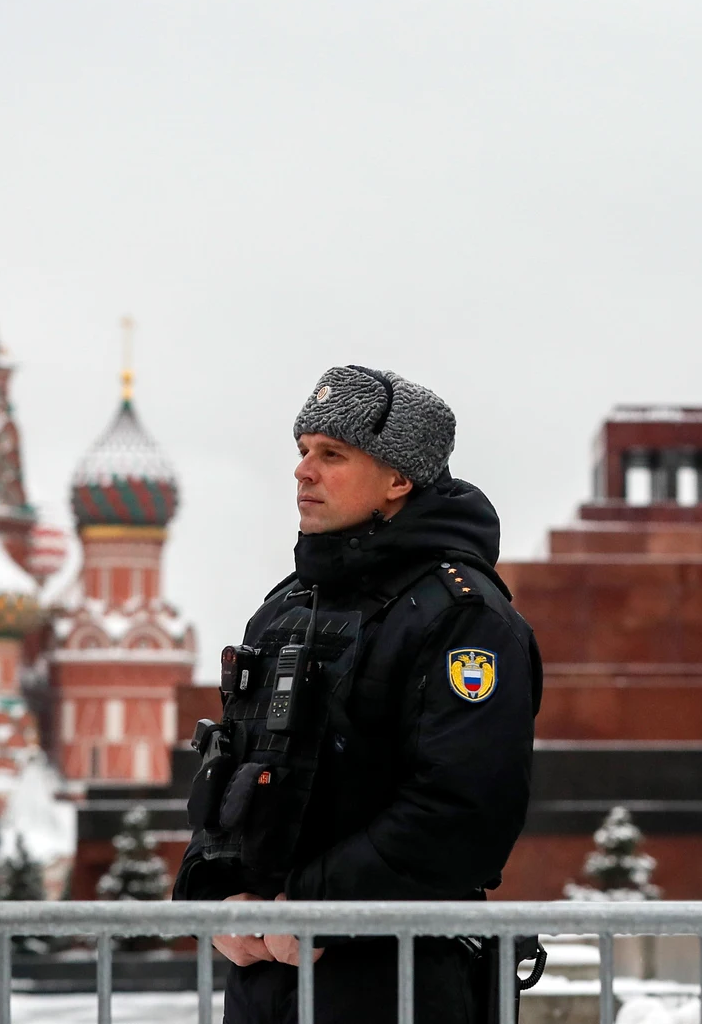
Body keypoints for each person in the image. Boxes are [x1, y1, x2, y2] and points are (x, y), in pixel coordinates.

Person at [174, 364, 543, 1024]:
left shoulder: (464, 618)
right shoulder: (283, 609)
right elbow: (230, 772)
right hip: (266, 978)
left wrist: (317, 906)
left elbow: (462, 812)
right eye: (302, 451)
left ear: (399, 478)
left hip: (397, 980)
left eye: (332, 454)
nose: (303, 470)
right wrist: (215, 895)